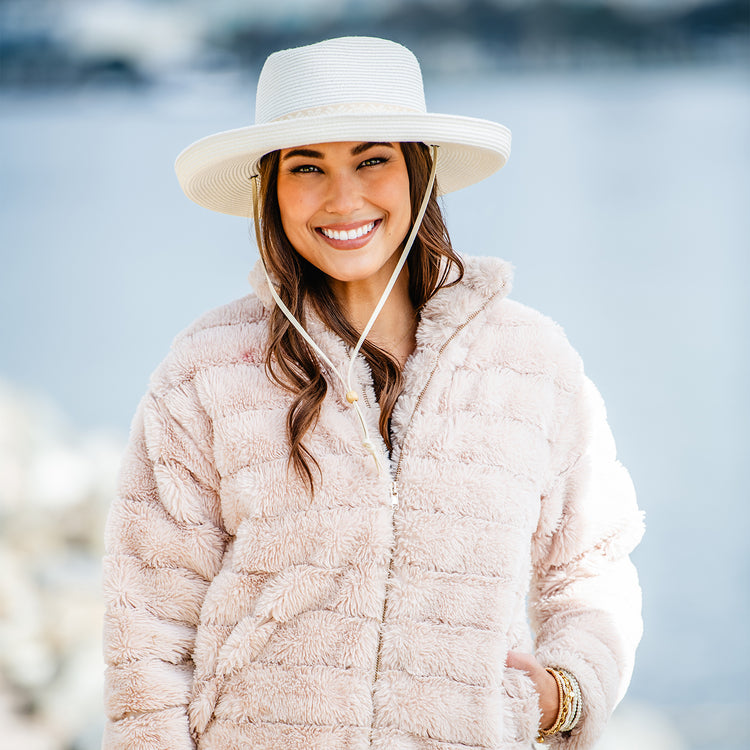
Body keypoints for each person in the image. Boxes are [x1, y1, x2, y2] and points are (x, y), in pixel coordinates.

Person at [102, 36, 643, 750]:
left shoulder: (529, 361)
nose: (343, 197)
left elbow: (591, 566)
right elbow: (146, 631)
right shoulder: (207, 372)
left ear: (419, 171)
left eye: (372, 158)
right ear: (271, 186)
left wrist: (565, 695)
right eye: (308, 166)